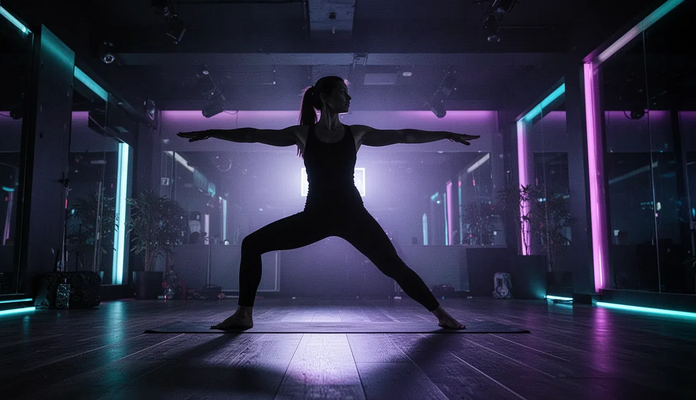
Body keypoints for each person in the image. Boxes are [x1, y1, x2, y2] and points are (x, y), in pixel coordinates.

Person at [178, 76, 480, 330]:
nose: (349, 97)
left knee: (394, 266)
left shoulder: (357, 133)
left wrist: (446, 134)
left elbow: (403, 135)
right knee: (252, 243)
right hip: (316, 216)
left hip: (353, 215)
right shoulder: (303, 133)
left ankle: (441, 316)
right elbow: (254, 135)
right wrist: (211, 131)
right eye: (343, 92)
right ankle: (244, 315)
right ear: (325, 97)